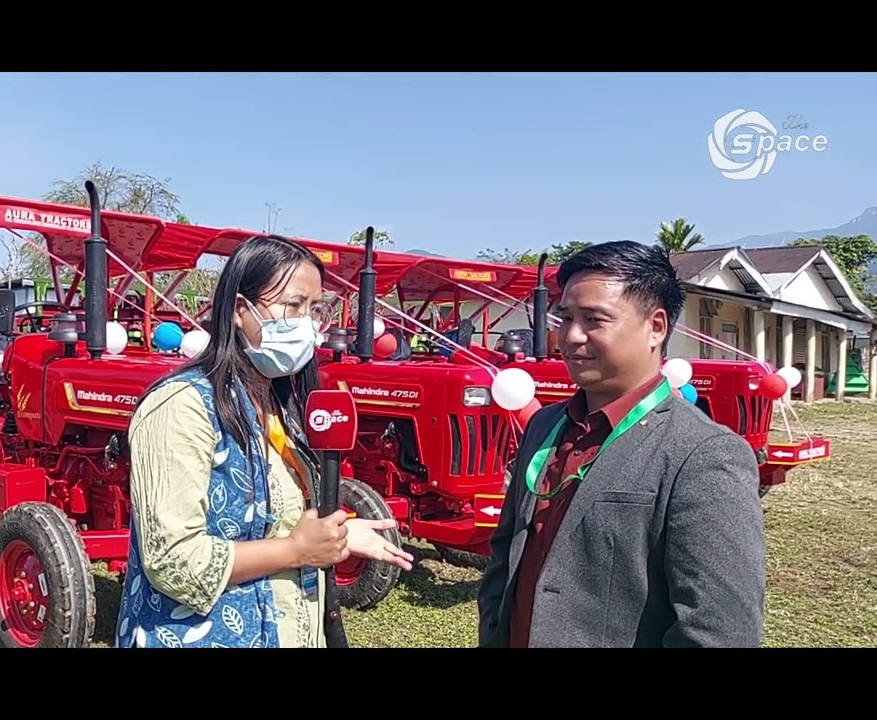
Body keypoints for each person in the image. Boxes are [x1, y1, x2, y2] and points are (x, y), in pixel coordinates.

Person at [114, 234, 414, 648]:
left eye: (315, 310)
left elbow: (264, 520)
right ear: (240, 310)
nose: (306, 324)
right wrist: (296, 550)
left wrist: (332, 536)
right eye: (293, 306)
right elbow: (173, 561)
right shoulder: (181, 406)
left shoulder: (279, 403)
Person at [476, 240, 766, 648]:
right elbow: (505, 556)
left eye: (595, 319)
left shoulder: (703, 455)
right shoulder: (545, 426)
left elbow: (719, 632)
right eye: (565, 317)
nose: (571, 336)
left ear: (657, 328)